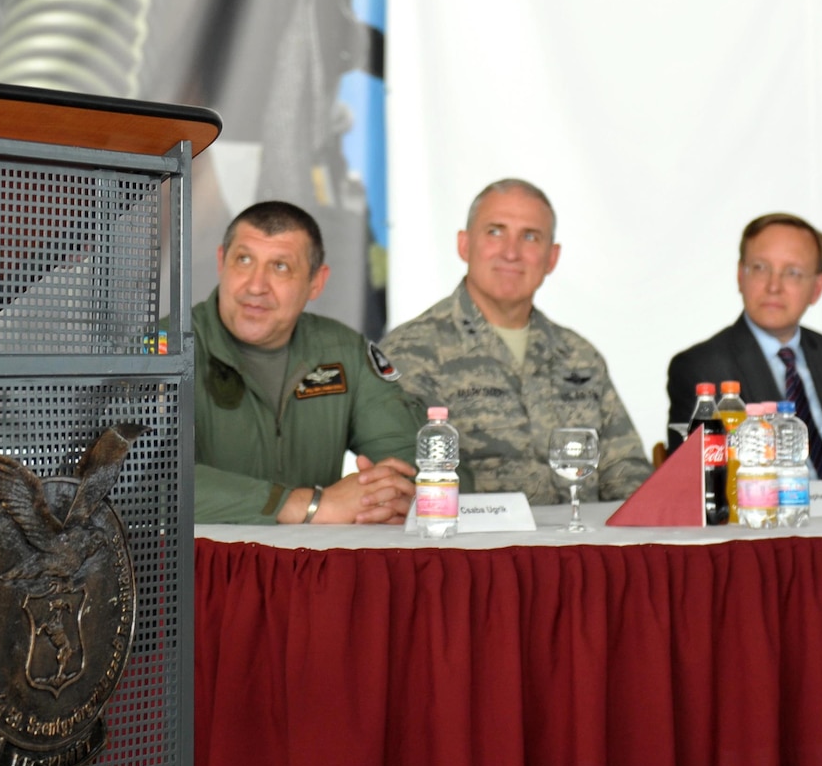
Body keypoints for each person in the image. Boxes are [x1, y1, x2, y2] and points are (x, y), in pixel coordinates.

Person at [378, 179, 650, 504]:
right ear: (464, 245)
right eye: (495, 232)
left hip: (580, 548)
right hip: (473, 550)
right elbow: (404, 483)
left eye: (530, 237)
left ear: (552, 258)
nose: (511, 252)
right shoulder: (410, 351)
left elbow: (626, 470)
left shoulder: (579, 356)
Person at [193, 200, 422, 524]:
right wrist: (308, 505)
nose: (256, 286)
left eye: (280, 267)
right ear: (221, 261)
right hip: (192, 568)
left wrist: (385, 497)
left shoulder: (343, 351)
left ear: (316, 281)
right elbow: (137, 480)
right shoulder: (162, 352)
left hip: (310, 567)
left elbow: (408, 461)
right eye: (244, 260)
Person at [667, 213, 822, 491]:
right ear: (739, 276)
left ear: (817, 288)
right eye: (760, 268)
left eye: (792, 273)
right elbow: (697, 485)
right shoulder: (700, 368)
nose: (773, 286)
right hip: (765, 525)